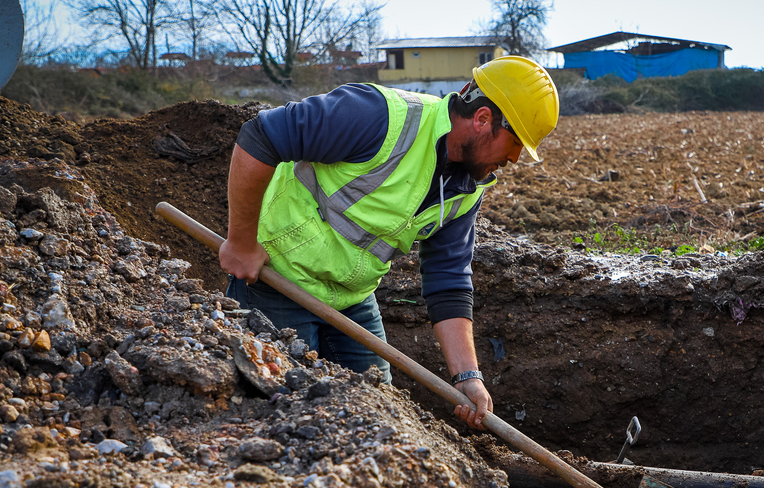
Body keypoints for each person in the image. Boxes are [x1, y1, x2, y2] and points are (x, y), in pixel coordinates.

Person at [220, 56, 560, 430]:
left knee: (381, 417)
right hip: (276, 279)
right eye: (515, 143)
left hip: (351, 298)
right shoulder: (378, 117)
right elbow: (261, 136)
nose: (514, 158)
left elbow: (448, 279)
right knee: (282, 410)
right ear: (482, 119)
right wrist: (240, 242)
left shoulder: (466, 188)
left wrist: (468, 377)